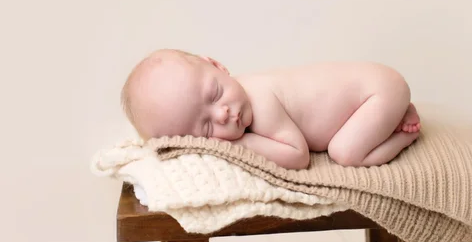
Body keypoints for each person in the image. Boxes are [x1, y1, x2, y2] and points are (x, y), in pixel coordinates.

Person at [121, 49, 421, 169]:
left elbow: (298, 155)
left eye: (215, 93)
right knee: (344, 145)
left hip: (378, 90)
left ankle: (405, 133)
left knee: (344, 153)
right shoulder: (237, 101)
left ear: (218, 66)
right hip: (372, 93)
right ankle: (392, 116)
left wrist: (243, 143)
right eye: (207, 127)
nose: (222, 113)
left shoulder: (260, 99)